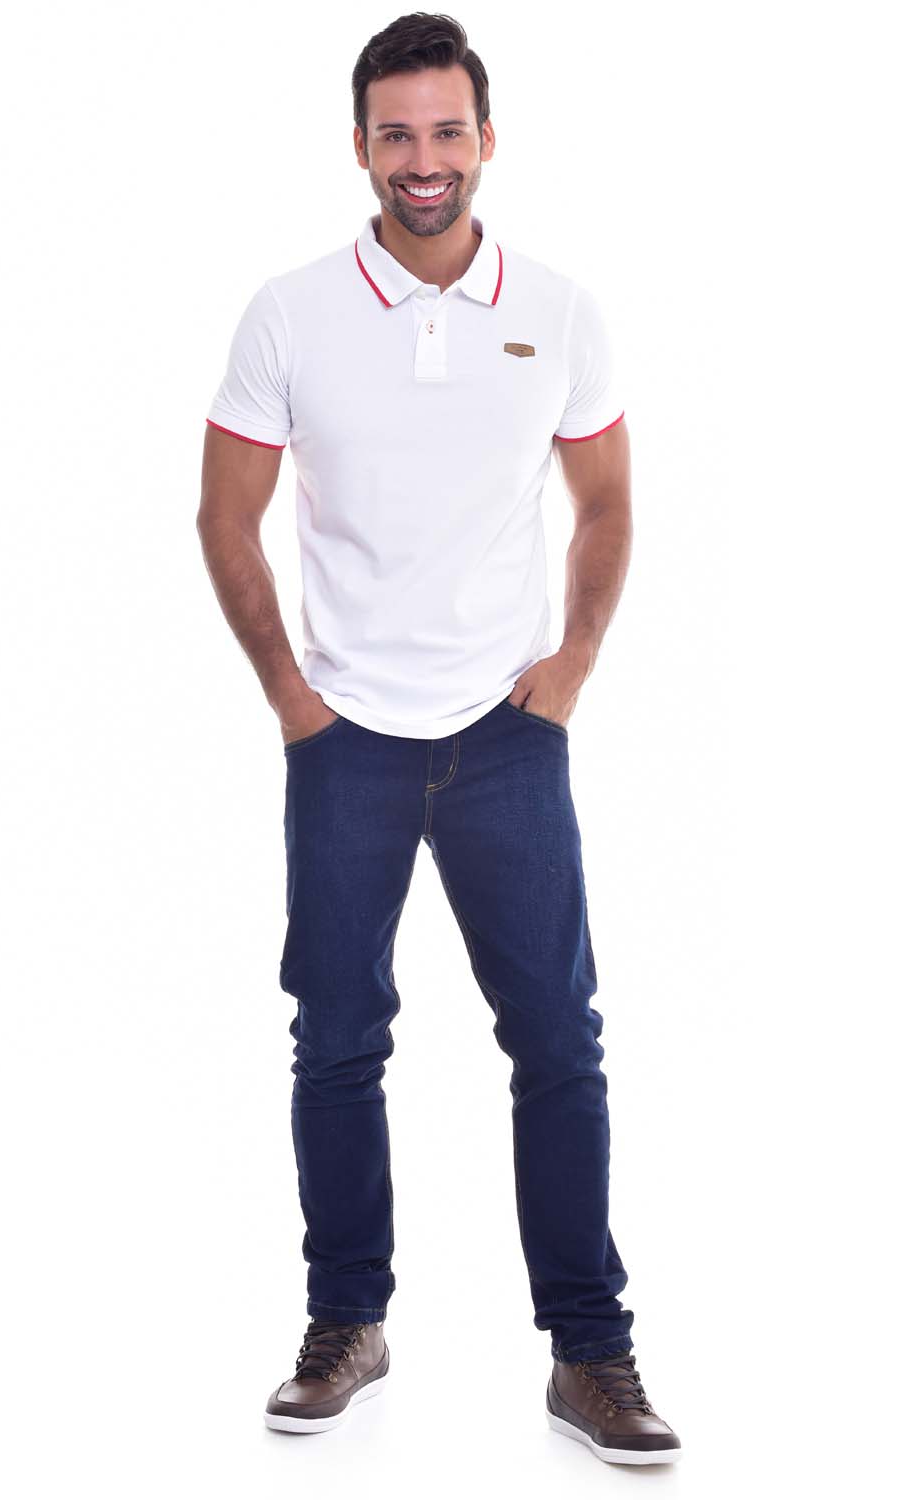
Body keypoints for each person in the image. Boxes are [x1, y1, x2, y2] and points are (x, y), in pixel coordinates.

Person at [197, 12, 681, 1466]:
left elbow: (606, 500)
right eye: (396, 133)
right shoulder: (290, 313)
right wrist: (293, 698)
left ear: (487, 139)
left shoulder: (560, 310)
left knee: (559, 1042)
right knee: (338, 1040)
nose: (425, 159)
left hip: (506, 733)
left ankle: (590, 1352)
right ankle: (346, 1323)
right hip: (345, 736)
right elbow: (225, 514)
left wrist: (572, 664)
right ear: (359, 146)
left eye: (447, 130)